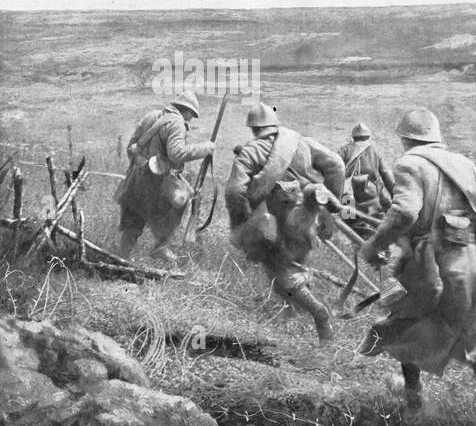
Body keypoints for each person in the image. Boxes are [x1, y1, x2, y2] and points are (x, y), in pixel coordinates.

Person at [357, 108, 476, 426]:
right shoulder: (462, 164)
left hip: (430, 266)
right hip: (472, 265)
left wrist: (375, 243)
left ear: (406, 138)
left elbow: (405, 211)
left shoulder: (409, 164)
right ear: (434, 135)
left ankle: (414, 398)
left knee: (405, 323)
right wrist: (464, 220)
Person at [225, 102, 346, 342]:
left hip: (276, 225)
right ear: (274, 124)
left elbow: (233, 191)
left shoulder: (251, 152)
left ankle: (320, 315)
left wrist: (243, 220)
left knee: (282, 274)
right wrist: (328, 213)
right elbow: (336, 166)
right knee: (293, 269)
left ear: (254, 128)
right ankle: (290, 311)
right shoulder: (302, 142)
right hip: (305, 221)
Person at [114, 91, 215, 263]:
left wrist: (142, 163)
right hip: (157, 184)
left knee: (134, 220)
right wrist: (205, 148)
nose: (191, 120)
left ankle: (120, 259)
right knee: (183, 198)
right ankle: (161, 246)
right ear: (187, 111)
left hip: (136, 179)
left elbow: (131, 147)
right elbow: (177, 154)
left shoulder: (150, 116)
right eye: (192, 116)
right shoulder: (176, 124)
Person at [336, 122, 395, 238]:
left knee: (351, 230)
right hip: (371, 197)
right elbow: (386, 174)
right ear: (368, 137)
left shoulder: (343, 150)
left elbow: (336, 172)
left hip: (348, 197)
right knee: (376, 228)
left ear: (353, 137)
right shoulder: (375, 149)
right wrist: (395, 195)